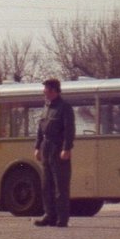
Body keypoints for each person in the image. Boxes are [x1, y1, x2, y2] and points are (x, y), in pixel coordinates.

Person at [33, 78, 75, 227]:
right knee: (46, 185)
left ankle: (62, 218)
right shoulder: (46, 107)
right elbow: (40, 129)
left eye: (46, 90)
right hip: (46, 148)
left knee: (60, 186)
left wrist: (66, 148)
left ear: (54, 91)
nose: (44, 92)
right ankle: (49, 215)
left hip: (58, 148)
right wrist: (37, 147)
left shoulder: (65, 107)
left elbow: (69, 130)